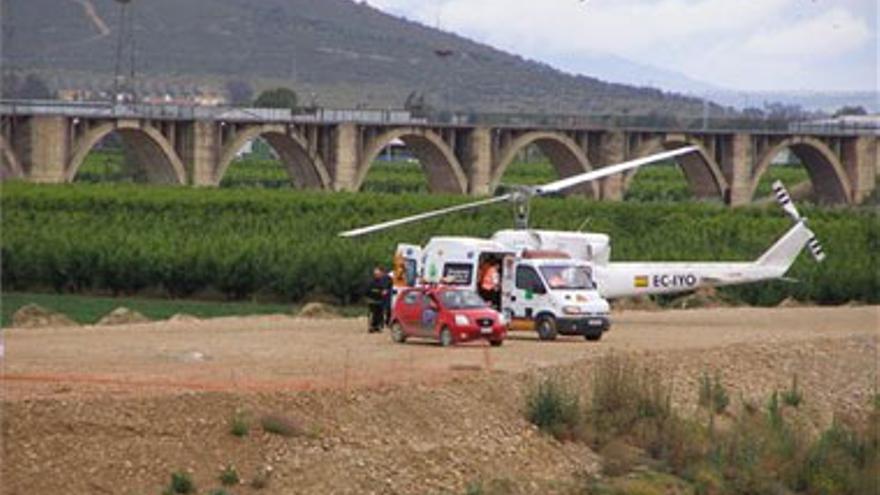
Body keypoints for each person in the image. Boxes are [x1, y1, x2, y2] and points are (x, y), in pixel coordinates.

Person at [366, 266, 390, 333]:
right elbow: (368, 290)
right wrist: (380, 292)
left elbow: (385, 288)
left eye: (380, 274)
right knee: (372, 314)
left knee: (380, 314)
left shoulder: (382, 281)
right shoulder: (371, 281)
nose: (379, 275)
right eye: (377, 274)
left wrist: (385, 291)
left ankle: (378, 326)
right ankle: (371, 326)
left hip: (380, 301)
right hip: (372, 300)